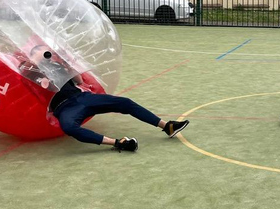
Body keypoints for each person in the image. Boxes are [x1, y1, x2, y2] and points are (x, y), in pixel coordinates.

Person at [20, 45, 189, 151]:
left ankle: (167, 126)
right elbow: (26, 66)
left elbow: (78, 81)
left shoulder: (56, 64)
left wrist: (66, 62)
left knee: (125, 103)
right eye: (44, 52)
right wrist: (39, 56)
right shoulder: (30, 71)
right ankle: (118, 143)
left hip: (82, 97)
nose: (49, 54)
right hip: (64, 107)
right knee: (69, 128)